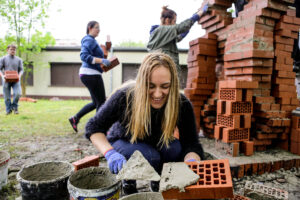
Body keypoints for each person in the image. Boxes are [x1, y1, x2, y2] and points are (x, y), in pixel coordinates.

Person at [85, 52, 205, 195]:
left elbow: (191, 142)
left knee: (174, 149)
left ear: (173, 84)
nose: (158, 94)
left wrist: (191, 159)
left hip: (156, 141)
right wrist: (110, 153)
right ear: (142, 82)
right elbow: (93, 127)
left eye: (165, 86)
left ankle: (158, 180)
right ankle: (128, 181)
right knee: (149, 156)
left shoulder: (181, 103)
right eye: (151, 86)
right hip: (125, 141)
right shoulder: (125, 97)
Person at [68, 21, 111, 132]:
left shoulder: (93, 41)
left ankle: (75, 118)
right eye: (97, 27)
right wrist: (102, 60)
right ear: (89, 28)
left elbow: (96, 57)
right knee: (101, 103)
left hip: (89, 73)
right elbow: (84, 56)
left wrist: (105, 55)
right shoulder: (89, 40)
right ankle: (97, 129)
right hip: (90, 74)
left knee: (96, 102)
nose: (99, 30)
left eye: (99, 28)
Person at [147, 5, 209, 76]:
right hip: (162, 73)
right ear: (167, 20)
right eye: (174, 21)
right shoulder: (161, 30)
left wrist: (190, 24)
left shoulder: (163, 34)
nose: (175, 24)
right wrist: (198, 14)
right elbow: (181, 27)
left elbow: (179, 37)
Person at [0, 44, 23, 115]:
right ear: (7, 50)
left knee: (18, 94)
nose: (13, 51)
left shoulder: (19, 60)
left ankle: (14, 106)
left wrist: (19, 76)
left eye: (14, 50)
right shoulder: (3, 59)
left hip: (16, 80)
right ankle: (8, 110)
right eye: (11, 49)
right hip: (6, 80)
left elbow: (21, 70)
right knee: (7, 97)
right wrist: (2, 76)